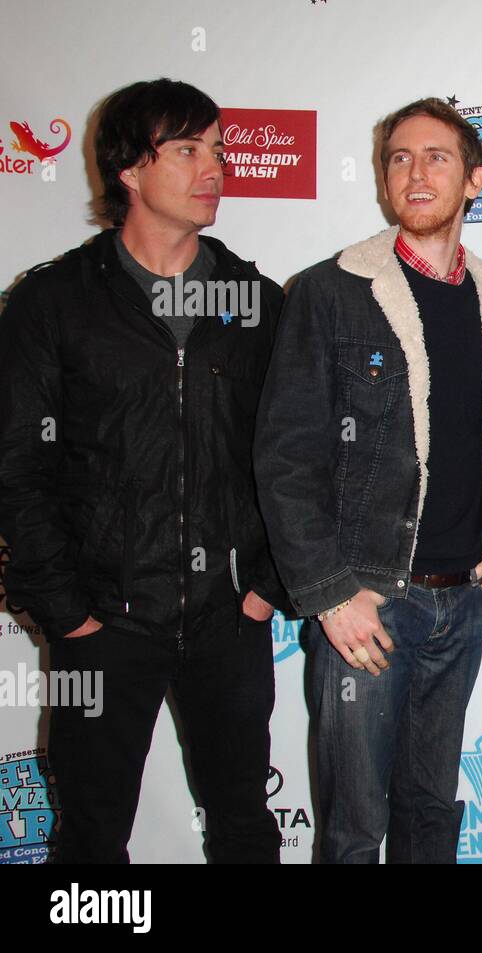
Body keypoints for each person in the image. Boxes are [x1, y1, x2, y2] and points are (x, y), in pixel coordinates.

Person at [0, 78, 285, 863]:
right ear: (130, 168)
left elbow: (292, 457)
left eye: (220, 151)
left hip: (231, 618)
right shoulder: (52, 303)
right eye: (189, 150)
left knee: (244, 828)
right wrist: (68, 613)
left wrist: (266, 587)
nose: (215, 169)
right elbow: (18, 467)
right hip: (106, 621)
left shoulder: (255, 302)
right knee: (90, 838)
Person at [254, 97, 482, 864]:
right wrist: (329, 593)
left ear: (474, 179)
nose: (415, 172)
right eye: (399, 158)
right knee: (351, 829)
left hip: (461, 601)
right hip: (366, 600)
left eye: (437, 157)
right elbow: (283, 457)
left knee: (430, 813)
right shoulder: (329, 291)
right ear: (382, 179)